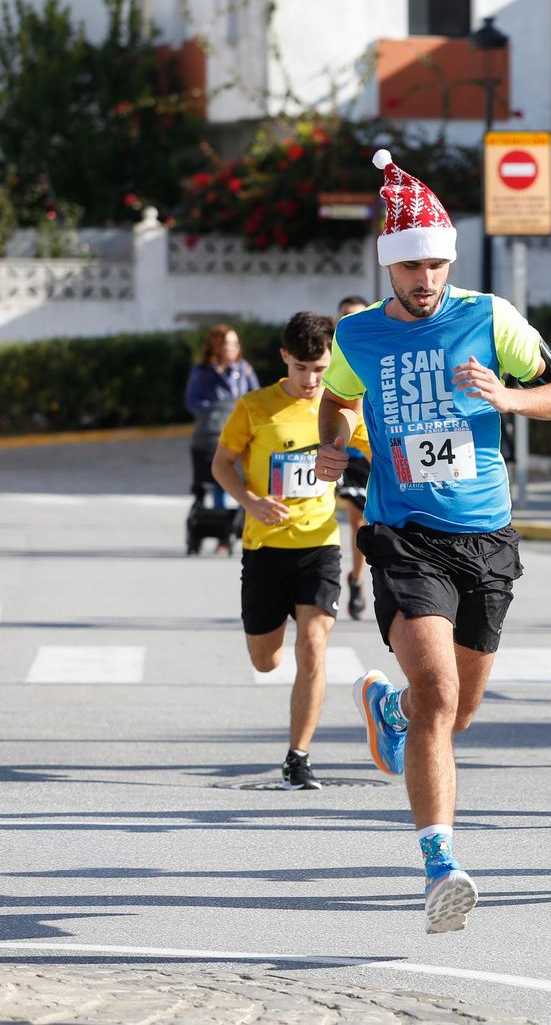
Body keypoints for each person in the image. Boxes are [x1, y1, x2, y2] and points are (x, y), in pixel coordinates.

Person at [315, 149, 551, 934]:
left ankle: (386, 710)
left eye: (435, 263)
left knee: (455, 712)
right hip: (404, 536)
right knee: (440, 695)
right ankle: (441, 865)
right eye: (410, 267)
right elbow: (336, 402)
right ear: (389, 267)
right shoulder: (358, 335)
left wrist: (509, 396)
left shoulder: (490, 317)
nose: (424, 279)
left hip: (487, 536)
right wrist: (338, 443)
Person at [211, 312, 370, 790]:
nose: (311, 380)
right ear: (285, 358)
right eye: (302, 368)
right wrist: (250, 501)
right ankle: (271, 652)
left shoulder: (340, 407)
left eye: (320, 369)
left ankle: (298, 756)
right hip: (264, 548)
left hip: (319, 545)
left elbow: (380, 448)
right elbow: (222, 463)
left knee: (314, 648)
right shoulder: (255, 407)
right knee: (267, 660)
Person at [186, 323, 260, 543]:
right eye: (228, 343)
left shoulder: (244, 369)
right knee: (219, 479)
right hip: (213, 434)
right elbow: (193, 402)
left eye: (235, 343)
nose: (232, 347)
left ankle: (244, 528)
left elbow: (256, 398)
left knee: (246, 480)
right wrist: (216, 411)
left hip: (242, 434)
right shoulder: (203, 371)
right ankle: (222, 535)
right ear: (216, 345)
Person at [336, 295, 376, 618]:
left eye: (356, 315)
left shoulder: (376, 351)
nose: (350, 320)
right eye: (345, 315)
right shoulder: (333, 353)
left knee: (367, 521)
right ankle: (354, 578)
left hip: (371, 447)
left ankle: (360, 577)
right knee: (356, 520)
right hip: (343, 449)